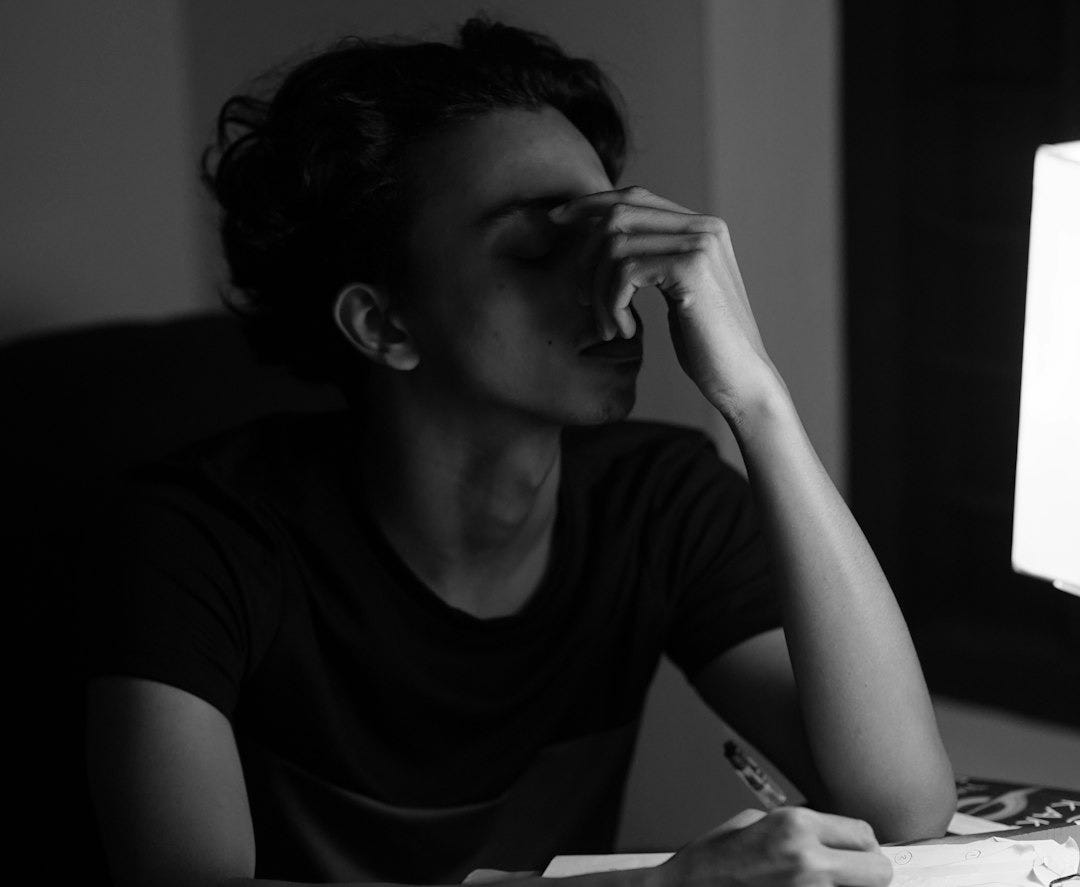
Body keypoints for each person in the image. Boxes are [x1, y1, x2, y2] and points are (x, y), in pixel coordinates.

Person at [78, 15, 956, 887]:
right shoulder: (197, 537)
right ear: (384, 323)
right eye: (541, 246)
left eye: (614, 231)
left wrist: (756, 396)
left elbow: (902, 807)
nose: (618, 286)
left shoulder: (655, 499)